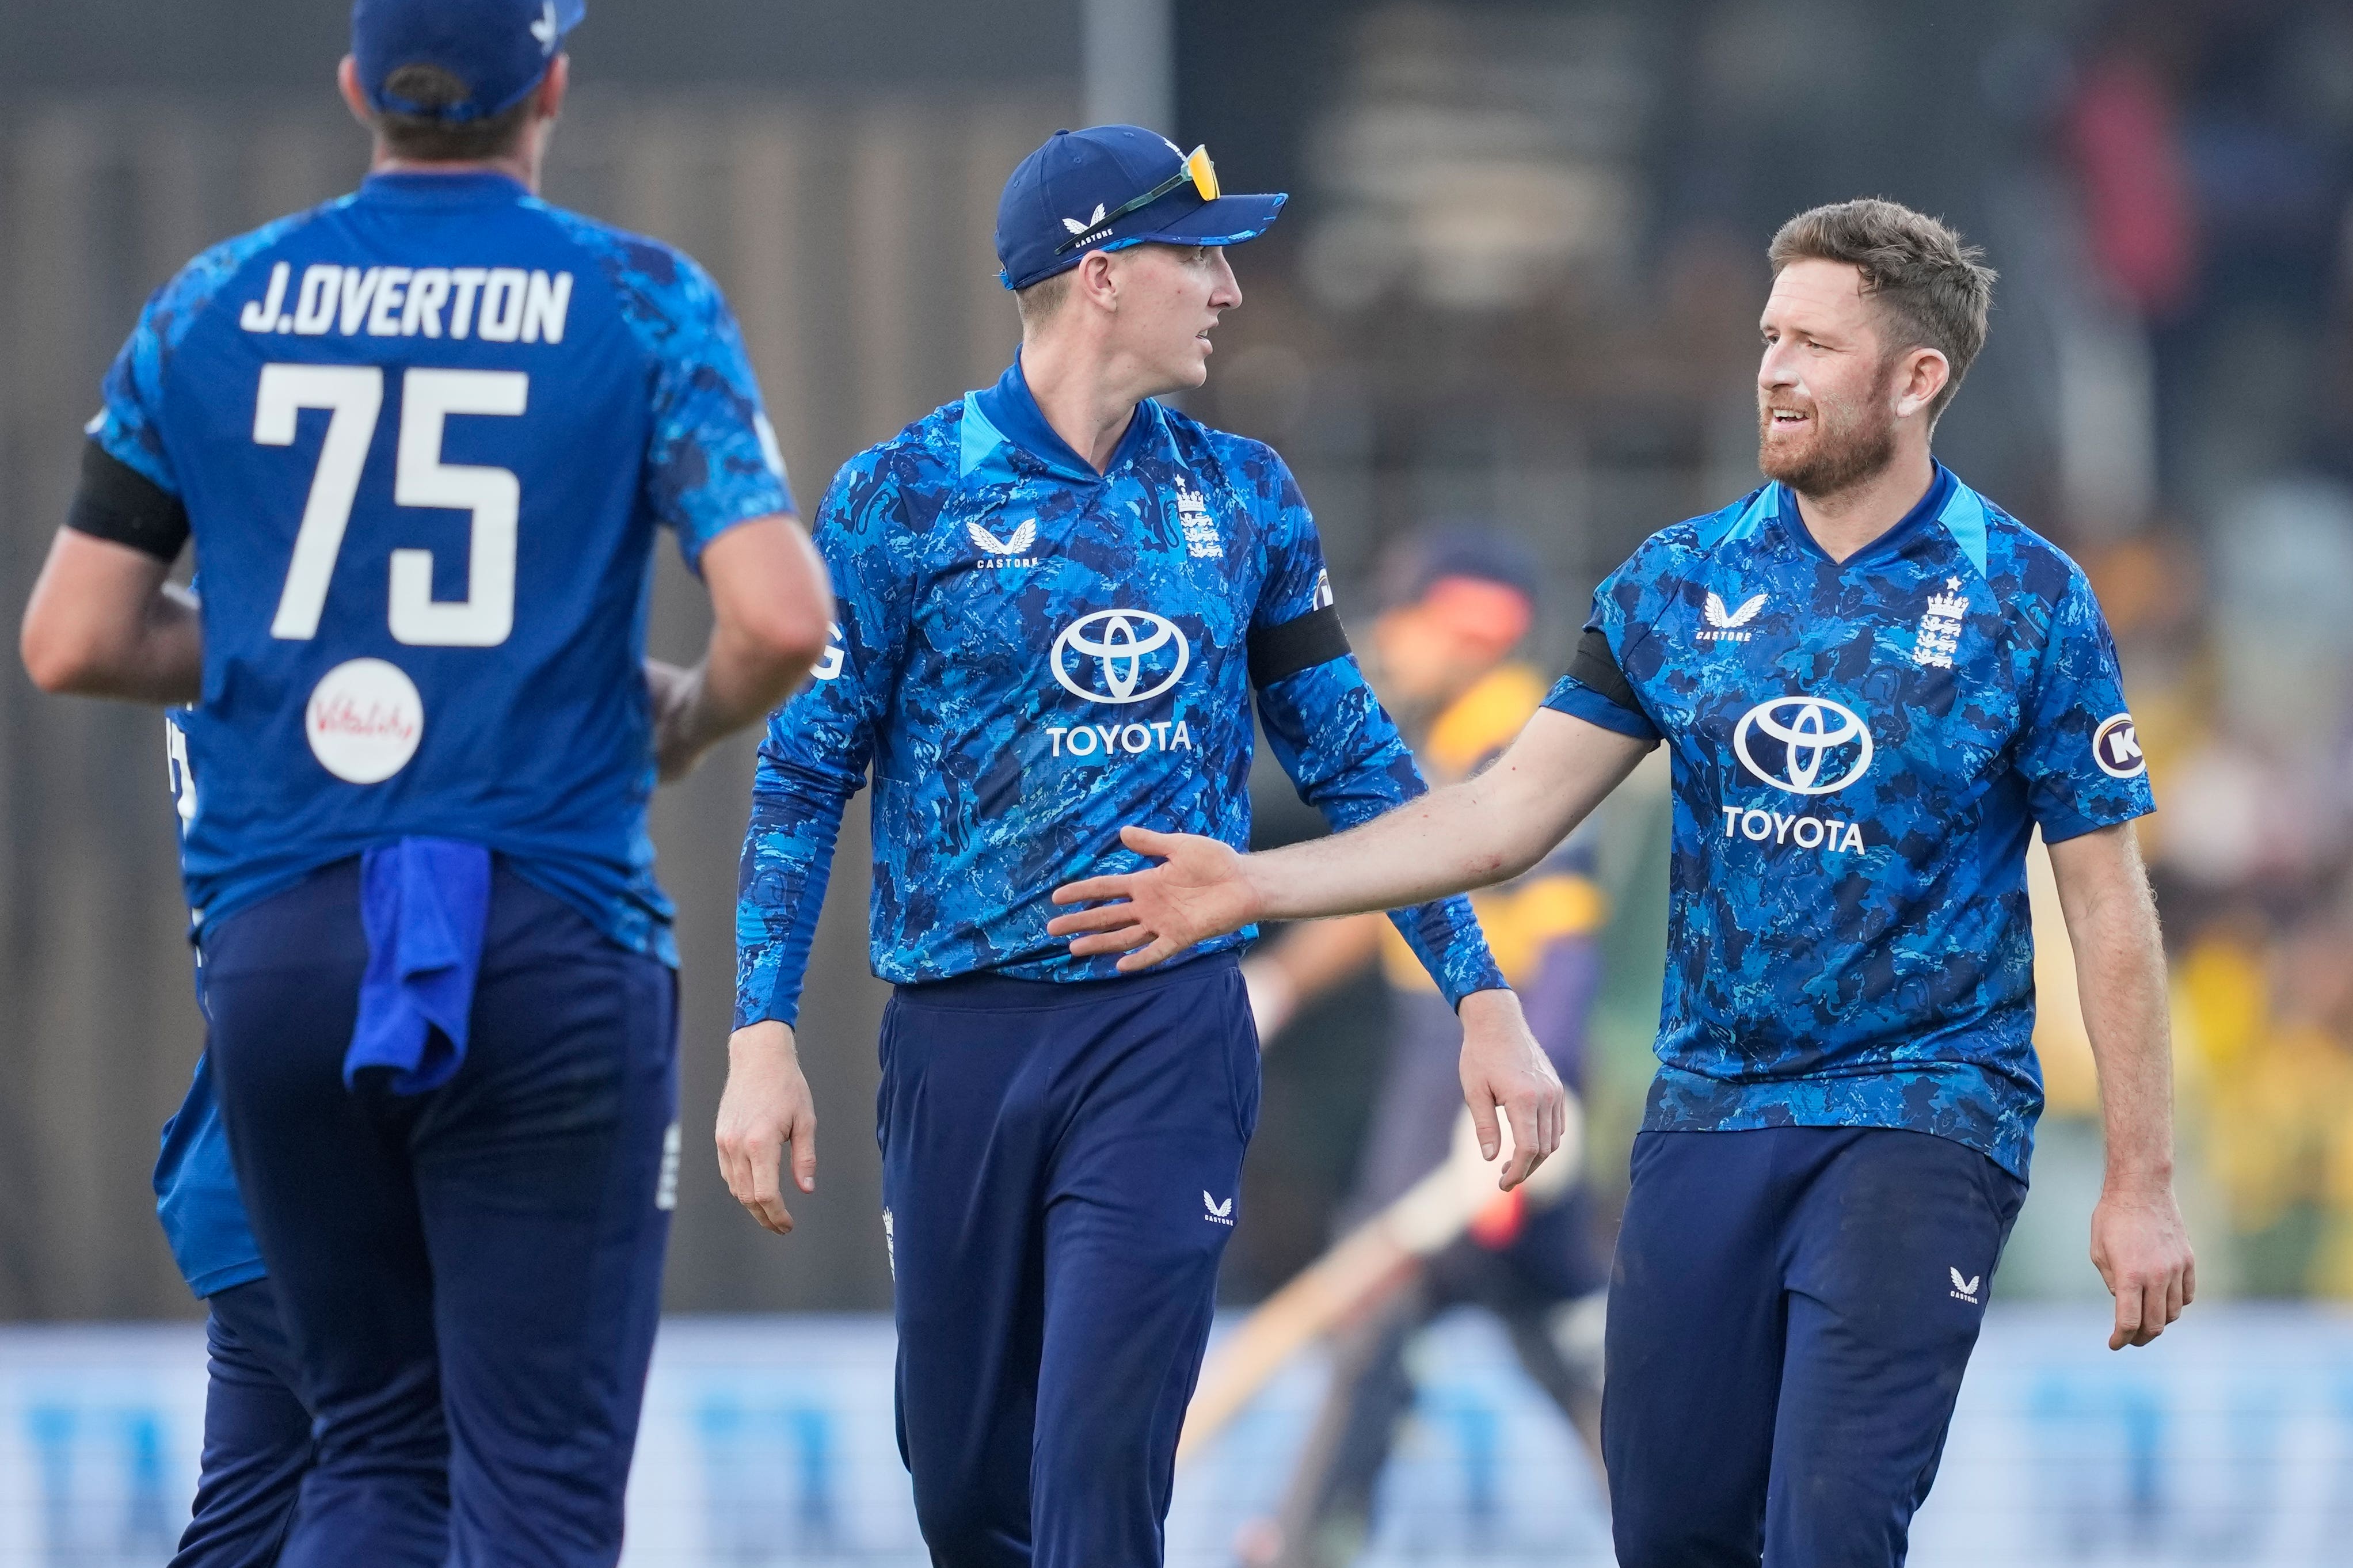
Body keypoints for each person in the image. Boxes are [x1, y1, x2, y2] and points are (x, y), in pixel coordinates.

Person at [1050, 197, 2197, 1566]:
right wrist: (1255, 884)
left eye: (1816, 345)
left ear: (1917, 378)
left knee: (1831, 1530)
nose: (1774, 367)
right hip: (1705, 1114)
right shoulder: (1675, 582)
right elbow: (1498, 816)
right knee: (1668, 1534)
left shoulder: (2033, 601)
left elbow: (2106, 904)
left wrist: (2142, 1180)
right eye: (1771, 336)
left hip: (1922, 1115)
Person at [18, 0, 832, 1559]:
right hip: (544, 922)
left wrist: (293, 651)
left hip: (287, 937)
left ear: (353, 89)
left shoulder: (212, 302)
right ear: (554, 91)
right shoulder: (637, 297)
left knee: (373, 1451)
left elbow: (72, 638)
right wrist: (683, 715)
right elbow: (780, 615)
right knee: (531, 1475)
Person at [716, 124, 1566, 1568]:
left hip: (1167, 1038)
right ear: (1100, 275)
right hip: (961, 1044)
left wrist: (1481, 995)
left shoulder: (1245, 497)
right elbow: (802, 782)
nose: (1228, 289)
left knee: (1102, 1458)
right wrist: (759, 1034)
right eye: (1198, 255)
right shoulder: (898, 497)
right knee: (970, 1491)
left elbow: (1359, 764)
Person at [1233, 530, 1611, 1568]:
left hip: (1480, 1078)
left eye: (1408, 615)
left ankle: (1310, 1541)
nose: (1388, 640)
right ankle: (1683, 1532)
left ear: (1471, 624)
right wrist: (1277, 984)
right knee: (1551, 1328)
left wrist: (1547, 1091)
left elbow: (1567, 950)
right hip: (1461, 1072)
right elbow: (1392, 902)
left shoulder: (1514, 751)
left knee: (1378, 1302)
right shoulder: (1448, 746)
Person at [154, 712, 315, 1568]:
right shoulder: (289, 619)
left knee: (246, 1523)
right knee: (442, 1470)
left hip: (248, 1169)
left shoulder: (235, 615)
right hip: (318, 1174)